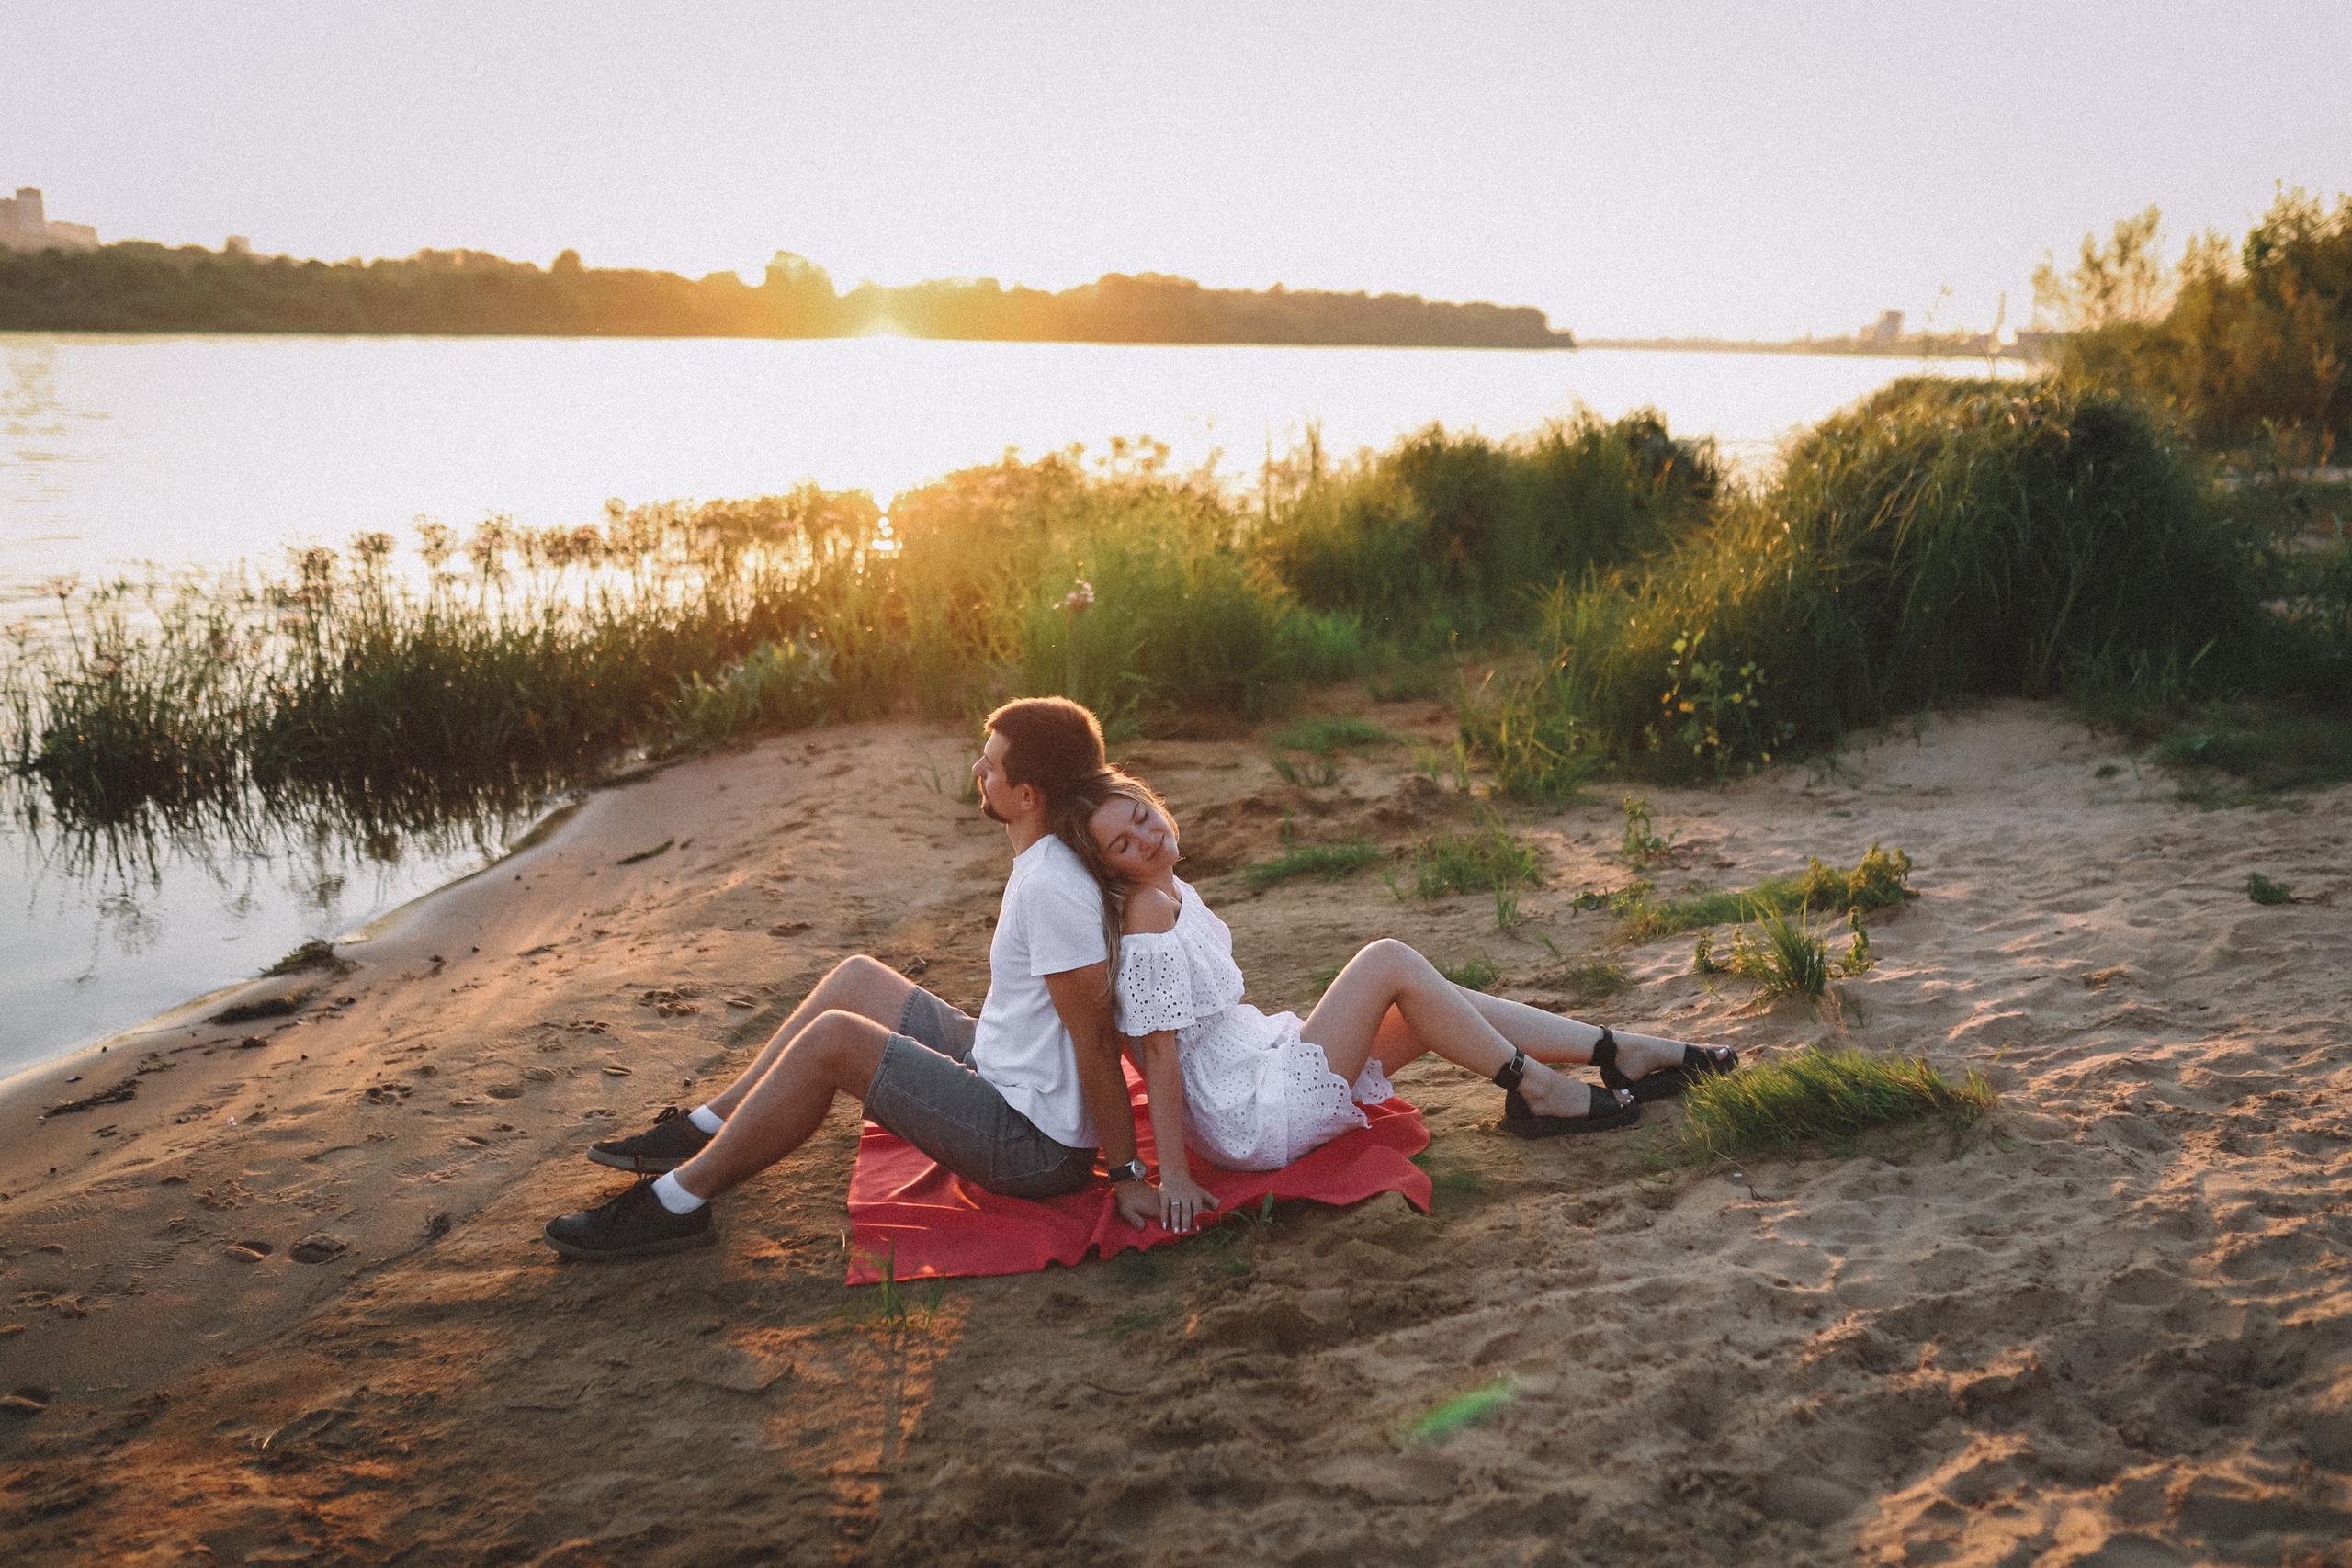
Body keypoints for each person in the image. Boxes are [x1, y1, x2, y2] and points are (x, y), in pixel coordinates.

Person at [542, 696, 1162, 1260]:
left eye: (992, 763)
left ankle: (676, 1203)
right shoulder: (1043, 857)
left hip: (1034, 1145)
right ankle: (707, 1128)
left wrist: (1129, 1174)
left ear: (1027, 794)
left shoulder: (1053, 885)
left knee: (834, 1040)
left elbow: (1093, 1038)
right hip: (1004, 1066)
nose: (977, 767)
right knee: (856, 979)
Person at [1052, 770, 1736, 1235]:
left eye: (1143, 816)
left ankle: (1620, 1051)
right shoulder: (1144, 912)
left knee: (1432, 999)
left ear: (1152, 800)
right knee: (1388, 959)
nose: (1147, 836)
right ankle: (1544, 1089)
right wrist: (1172, 1174)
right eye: (1124, 842)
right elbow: (1159, 1050)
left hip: (1262, 1061)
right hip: (1247, 1111)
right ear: (1112, 866)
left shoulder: (1170, 885)